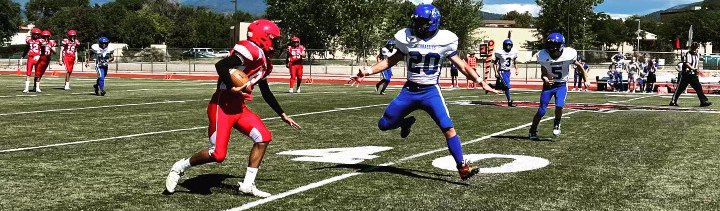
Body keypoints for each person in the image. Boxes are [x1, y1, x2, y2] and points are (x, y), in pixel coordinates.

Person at [356, 4, 499, 180]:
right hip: (409, 90)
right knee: (384, 124)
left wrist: (480, 81)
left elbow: (461, 65)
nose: (417, 26)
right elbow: (390, 61)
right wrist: (368, 72)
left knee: (448, 128)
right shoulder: (407, 38)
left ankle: (462, 167)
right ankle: (405, 123)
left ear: (432, 22)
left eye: (421, 22)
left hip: (431, 92)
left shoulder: (445, 40)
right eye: (416, 22)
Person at [165, 20, 301, 198]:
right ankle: (179, 167)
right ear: (263, 38)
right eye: (273, 39)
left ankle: (247, 184)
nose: (276, 43)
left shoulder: (264, 62)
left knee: (263, 137)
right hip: (222, 106)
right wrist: (230, 85)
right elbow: (221, 65)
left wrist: (282, 114)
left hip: (239, 108)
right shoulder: (250, 50)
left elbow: (266, 91)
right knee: (218, 154)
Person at [529, 33, 587, 140]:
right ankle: (533, 129)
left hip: (561, 85)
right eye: (550, 45)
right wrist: (544, 78)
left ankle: (557, 123)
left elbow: (579, 66)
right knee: (542, 111)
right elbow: (543, 71)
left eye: (554, 45)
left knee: (559, 106)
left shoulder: (568, 54)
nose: (552, 47)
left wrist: (585, 80)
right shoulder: (543, 55)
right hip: (548, 86)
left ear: (561, 45)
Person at [669, 42, 712, 107]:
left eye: (696, 47)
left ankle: (703, 101)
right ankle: (673, 101)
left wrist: (697, 70)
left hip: (693, 74)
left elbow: (697, 64)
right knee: (680, 88)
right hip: (686, 74)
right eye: (694, 47)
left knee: (698, 87)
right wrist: (693, 68)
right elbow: (687, 64)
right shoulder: (688, 54)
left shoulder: (698, 54)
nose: (695, 49)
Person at [493, 39, 519, 107]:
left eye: (509, 45)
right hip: (502, 71)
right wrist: (496, 72)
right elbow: (495, 63)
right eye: (507, 45)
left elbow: (515, 62)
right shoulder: (500, 52)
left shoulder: (514, 52)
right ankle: (509, 102)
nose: (508, 47)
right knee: (507, 86)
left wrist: (517, 69)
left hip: (508, 72)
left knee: (502, 87)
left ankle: (490, 86)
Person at [21, 28, 46, 93]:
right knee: (28, 73)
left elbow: (43, 51)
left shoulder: (41, 41)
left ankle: (37, 88)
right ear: (32, 34)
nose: (36, 36)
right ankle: (26, 88)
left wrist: (39, 56)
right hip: (31, 57)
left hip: (38, 58)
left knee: (37, 73)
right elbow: (26, 49)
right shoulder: (29, 40)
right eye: (34, 34)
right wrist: (22, 56)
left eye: (37, 34)